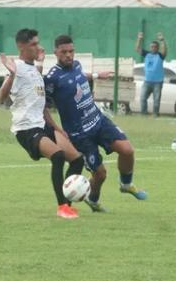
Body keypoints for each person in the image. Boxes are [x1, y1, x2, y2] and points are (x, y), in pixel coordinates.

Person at [44, 35, 147, 213]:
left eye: (71, 51)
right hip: (80, 136)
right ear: (56, 53)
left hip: (98, 121)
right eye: (64, 52)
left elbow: (80, 76)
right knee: (100, 174)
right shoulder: (52, 78)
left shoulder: (77, 65)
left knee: (127, 150)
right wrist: (57, 129)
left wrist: (98, 75)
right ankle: (93, 200)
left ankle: (126, 184)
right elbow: (42, 105)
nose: (69, 55)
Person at [0, 28, 85, 219]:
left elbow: (40, 104)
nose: (38, 46)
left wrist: (57, 129)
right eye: (33, 44)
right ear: (21, 47)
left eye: (38, 42)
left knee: (77, 160)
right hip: (26, 129)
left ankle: (68, 205)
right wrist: (11, 75)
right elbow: (1, 98)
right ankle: (62, 207)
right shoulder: (17, 68)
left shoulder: (35, 70)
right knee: (58, 156)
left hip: (43, 125)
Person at [135, 32, 167, 117]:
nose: (153, 48)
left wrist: (162, 40)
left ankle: (155, 114)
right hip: (147, 81)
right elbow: (137, 49)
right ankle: (143, 114)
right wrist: (139, 39)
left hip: (158, 82)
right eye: (151, 46)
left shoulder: (160, 56)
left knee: (156, 100)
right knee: (142, 98)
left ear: (157, 48)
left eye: (155, 47)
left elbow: (164, 51)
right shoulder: (147, 54)